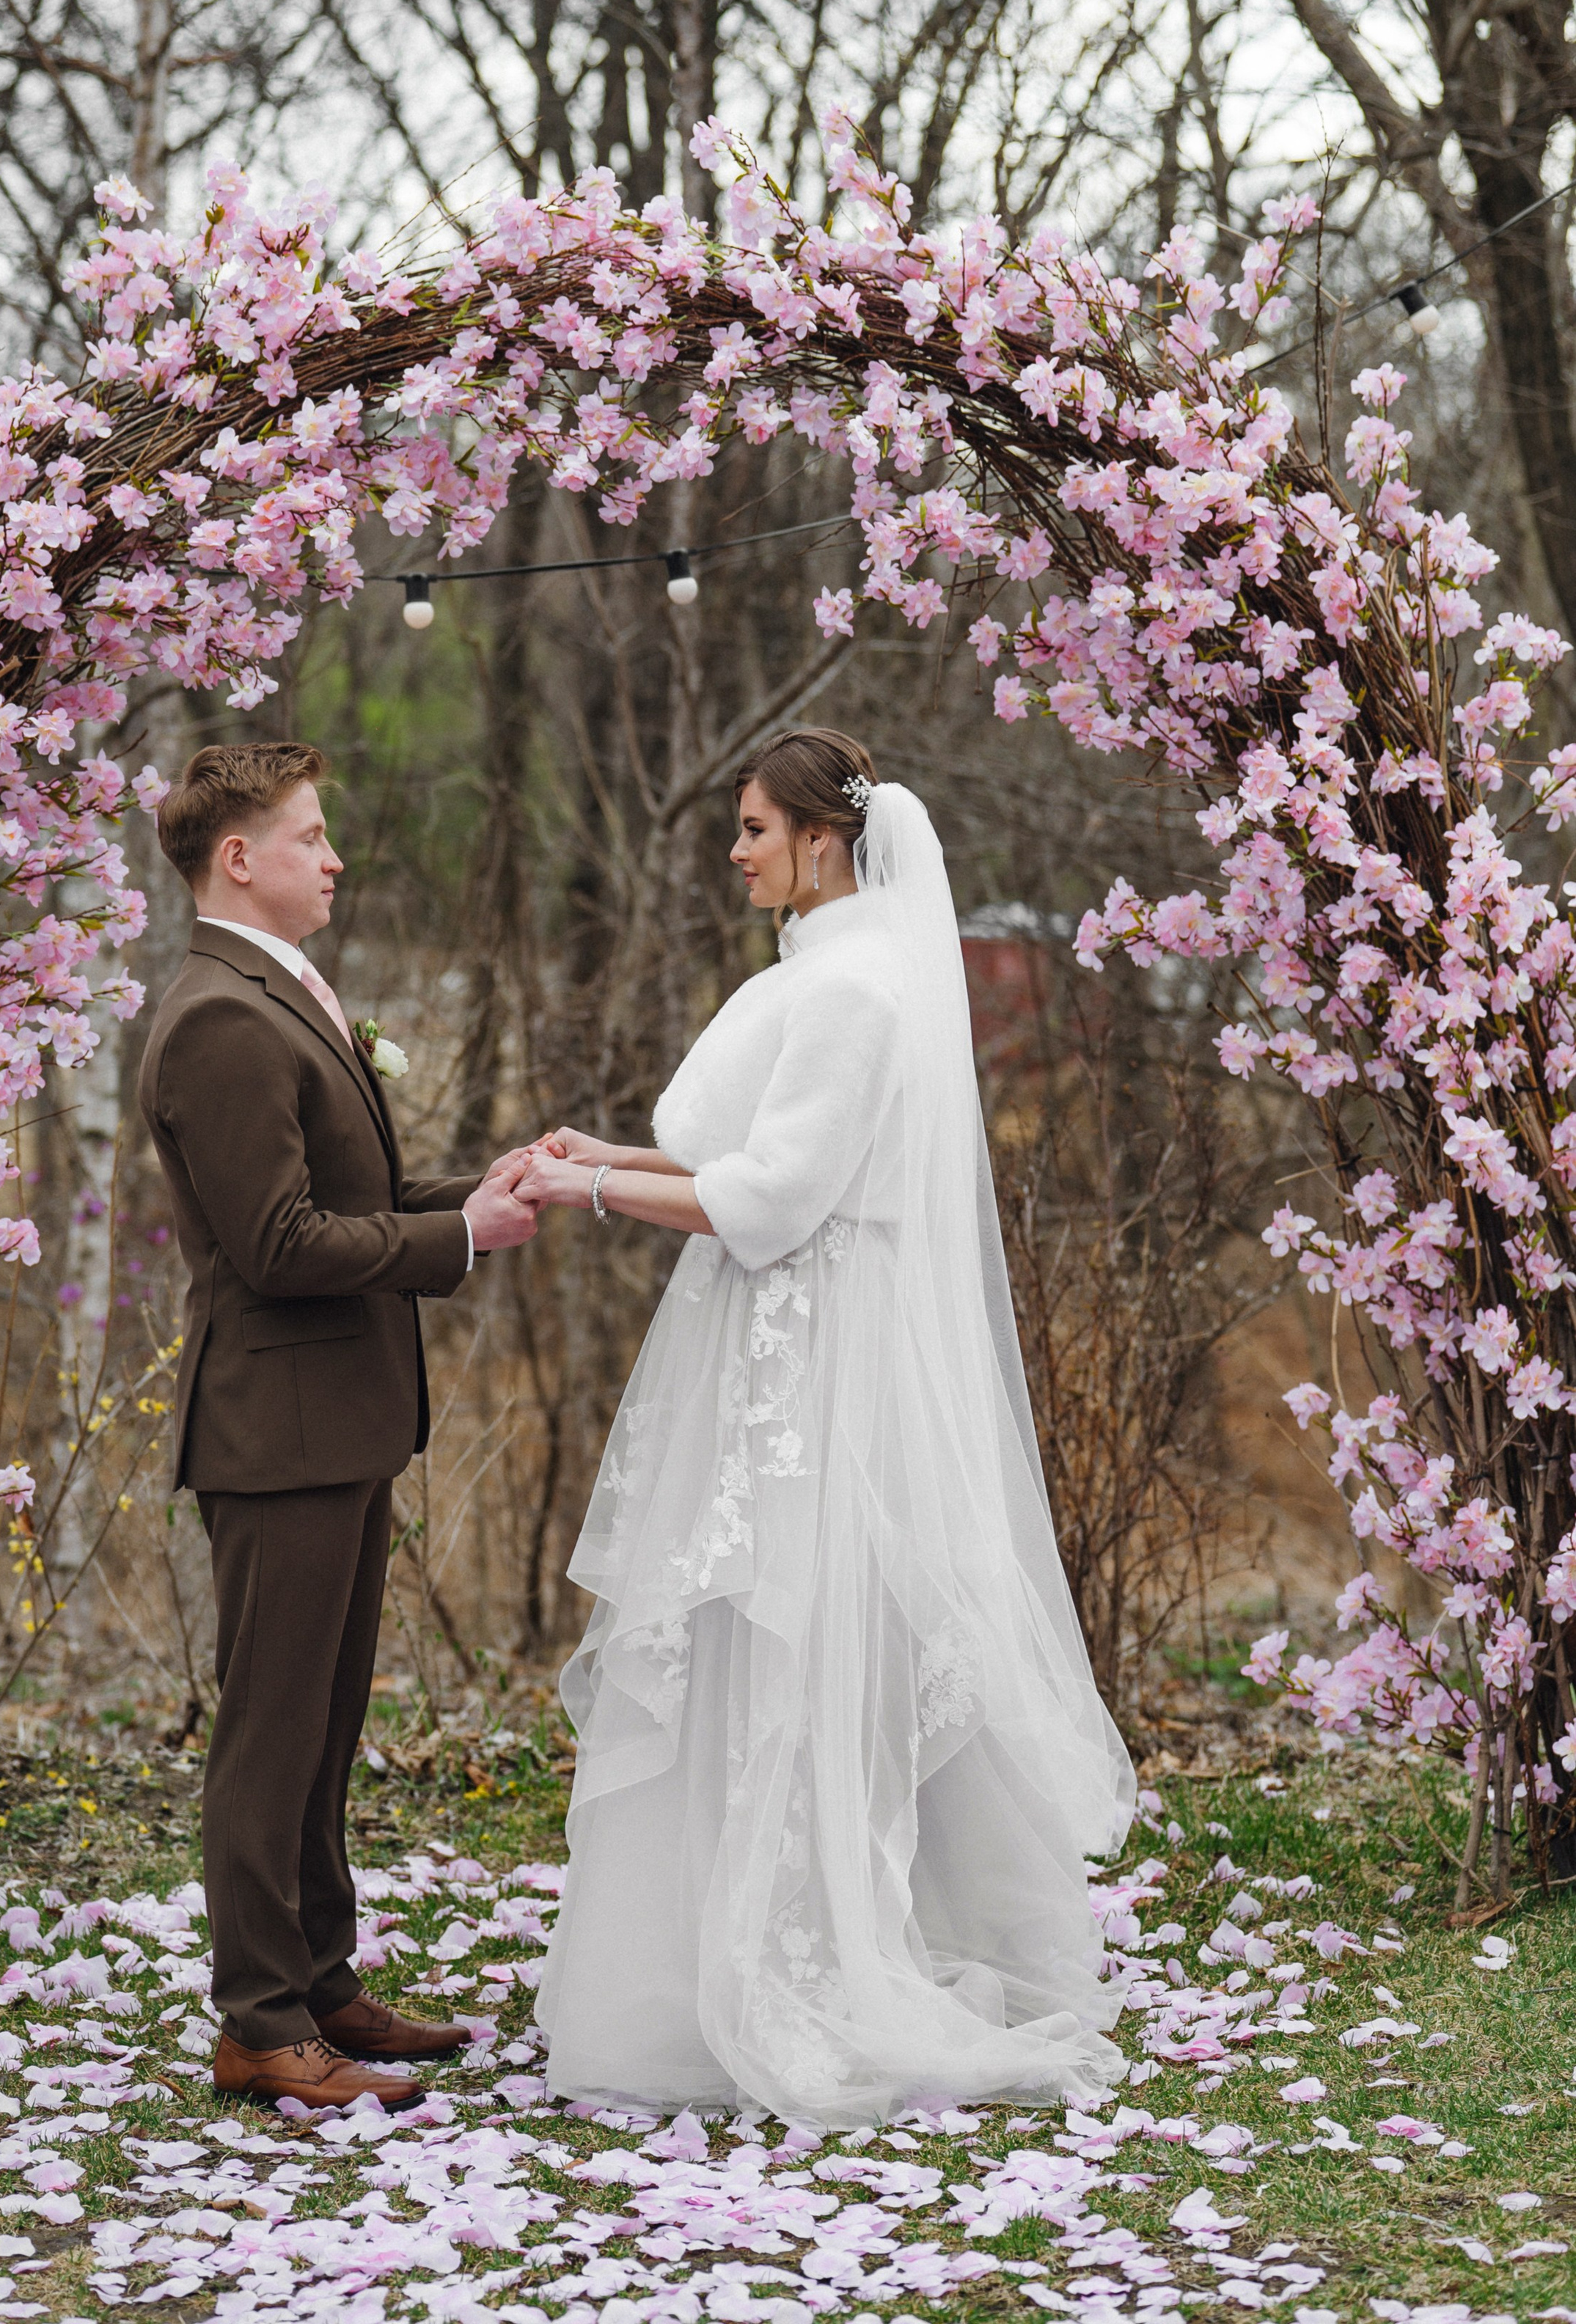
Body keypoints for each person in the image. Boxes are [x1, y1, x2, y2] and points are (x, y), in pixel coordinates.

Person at [515, 725, 1135, 2127]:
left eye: (751, 829)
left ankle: (796, 1953)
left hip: (811, 1375)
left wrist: (593, 1197)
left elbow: (776, 1201)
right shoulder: (828, 971)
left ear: (822, 840)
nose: (734, 851)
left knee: (791, 1632)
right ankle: (697, 1956)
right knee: (744, 1632)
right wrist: (596, 1153)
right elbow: (750, 1159)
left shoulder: (855, 990)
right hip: (771, 1348)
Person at [138, 742, 541, 2114]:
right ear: (237, 859)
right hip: (278, 1428)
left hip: (341, 1425)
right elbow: (278, 1243)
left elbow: (347, 1190)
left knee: (323, 1722)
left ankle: (317, 1980)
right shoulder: (215, 1016)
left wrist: (480, 1191)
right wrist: (457, 1240)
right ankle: (257, 2020)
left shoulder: (280, 994)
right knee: (270, 1726)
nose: (336, 857)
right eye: (311, 837)